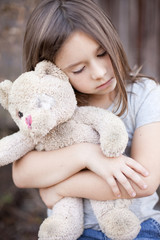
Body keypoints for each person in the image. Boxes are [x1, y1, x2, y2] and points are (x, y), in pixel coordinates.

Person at [12, 0, 160, 239]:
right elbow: (21, 174)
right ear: (51, 71)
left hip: (138, 228)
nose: (99, 72)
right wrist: (87, 155)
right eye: (79, 69)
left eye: (102, 53)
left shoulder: (145, 94)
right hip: (71, 232)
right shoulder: (49, 109)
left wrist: (59, 187)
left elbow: (145, 182)